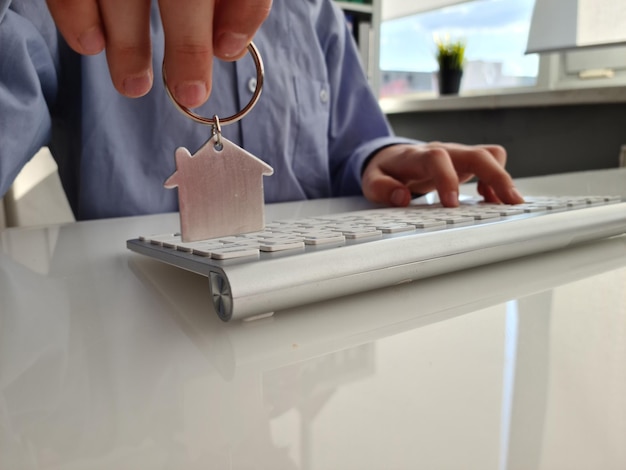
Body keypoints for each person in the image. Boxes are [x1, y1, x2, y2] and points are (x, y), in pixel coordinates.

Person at [0, 0, 524, 222]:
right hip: (134, 330)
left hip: (316, 301)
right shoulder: (48, 13)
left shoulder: (318, 12)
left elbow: (350, 145)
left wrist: (383, 156)